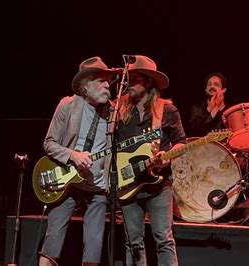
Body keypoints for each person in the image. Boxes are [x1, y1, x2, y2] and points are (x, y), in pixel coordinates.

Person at [38, 56, 118, 266]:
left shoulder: (114, 113)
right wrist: (73, 155)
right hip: (67, 182)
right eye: (100, 81)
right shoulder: (68, 105)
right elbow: (49, 143)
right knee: (52, 242)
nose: (106, 85)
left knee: (94, 249)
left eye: (107, 81)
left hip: (97, 186)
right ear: (84, 86)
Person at [116, 55, 186, 266]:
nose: (128, 84)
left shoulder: (167, 110)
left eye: (134, 79)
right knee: (133, 242)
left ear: (147, 82)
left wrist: (166, 159)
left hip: (159, 184)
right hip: (128, 183)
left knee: (163, 238)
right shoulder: (119, 112)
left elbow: (181, 143)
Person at [188, 72, 229, 137]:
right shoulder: (197, 108)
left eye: (216, 84)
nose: (212, 86)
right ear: (206, 89)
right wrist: (209, 108)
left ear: (223, 90)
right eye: (209, 84)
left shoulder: (229, 110)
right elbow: (194, 131)